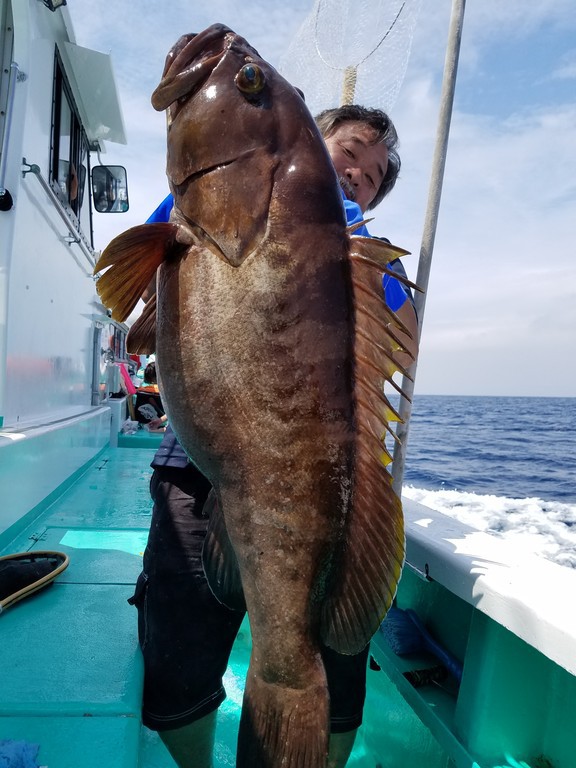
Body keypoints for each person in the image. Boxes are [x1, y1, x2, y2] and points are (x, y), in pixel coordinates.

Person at [130, 105, 418, 768]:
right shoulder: (208, 202)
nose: (356, 177)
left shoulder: (372, 259)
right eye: (347, 154)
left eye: (372, 179)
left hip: (326, 479)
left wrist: (350, 250)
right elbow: (145, 262)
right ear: (311, 148)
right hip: (201, 459)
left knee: (337, 666)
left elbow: (399, 336)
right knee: (178, 646)